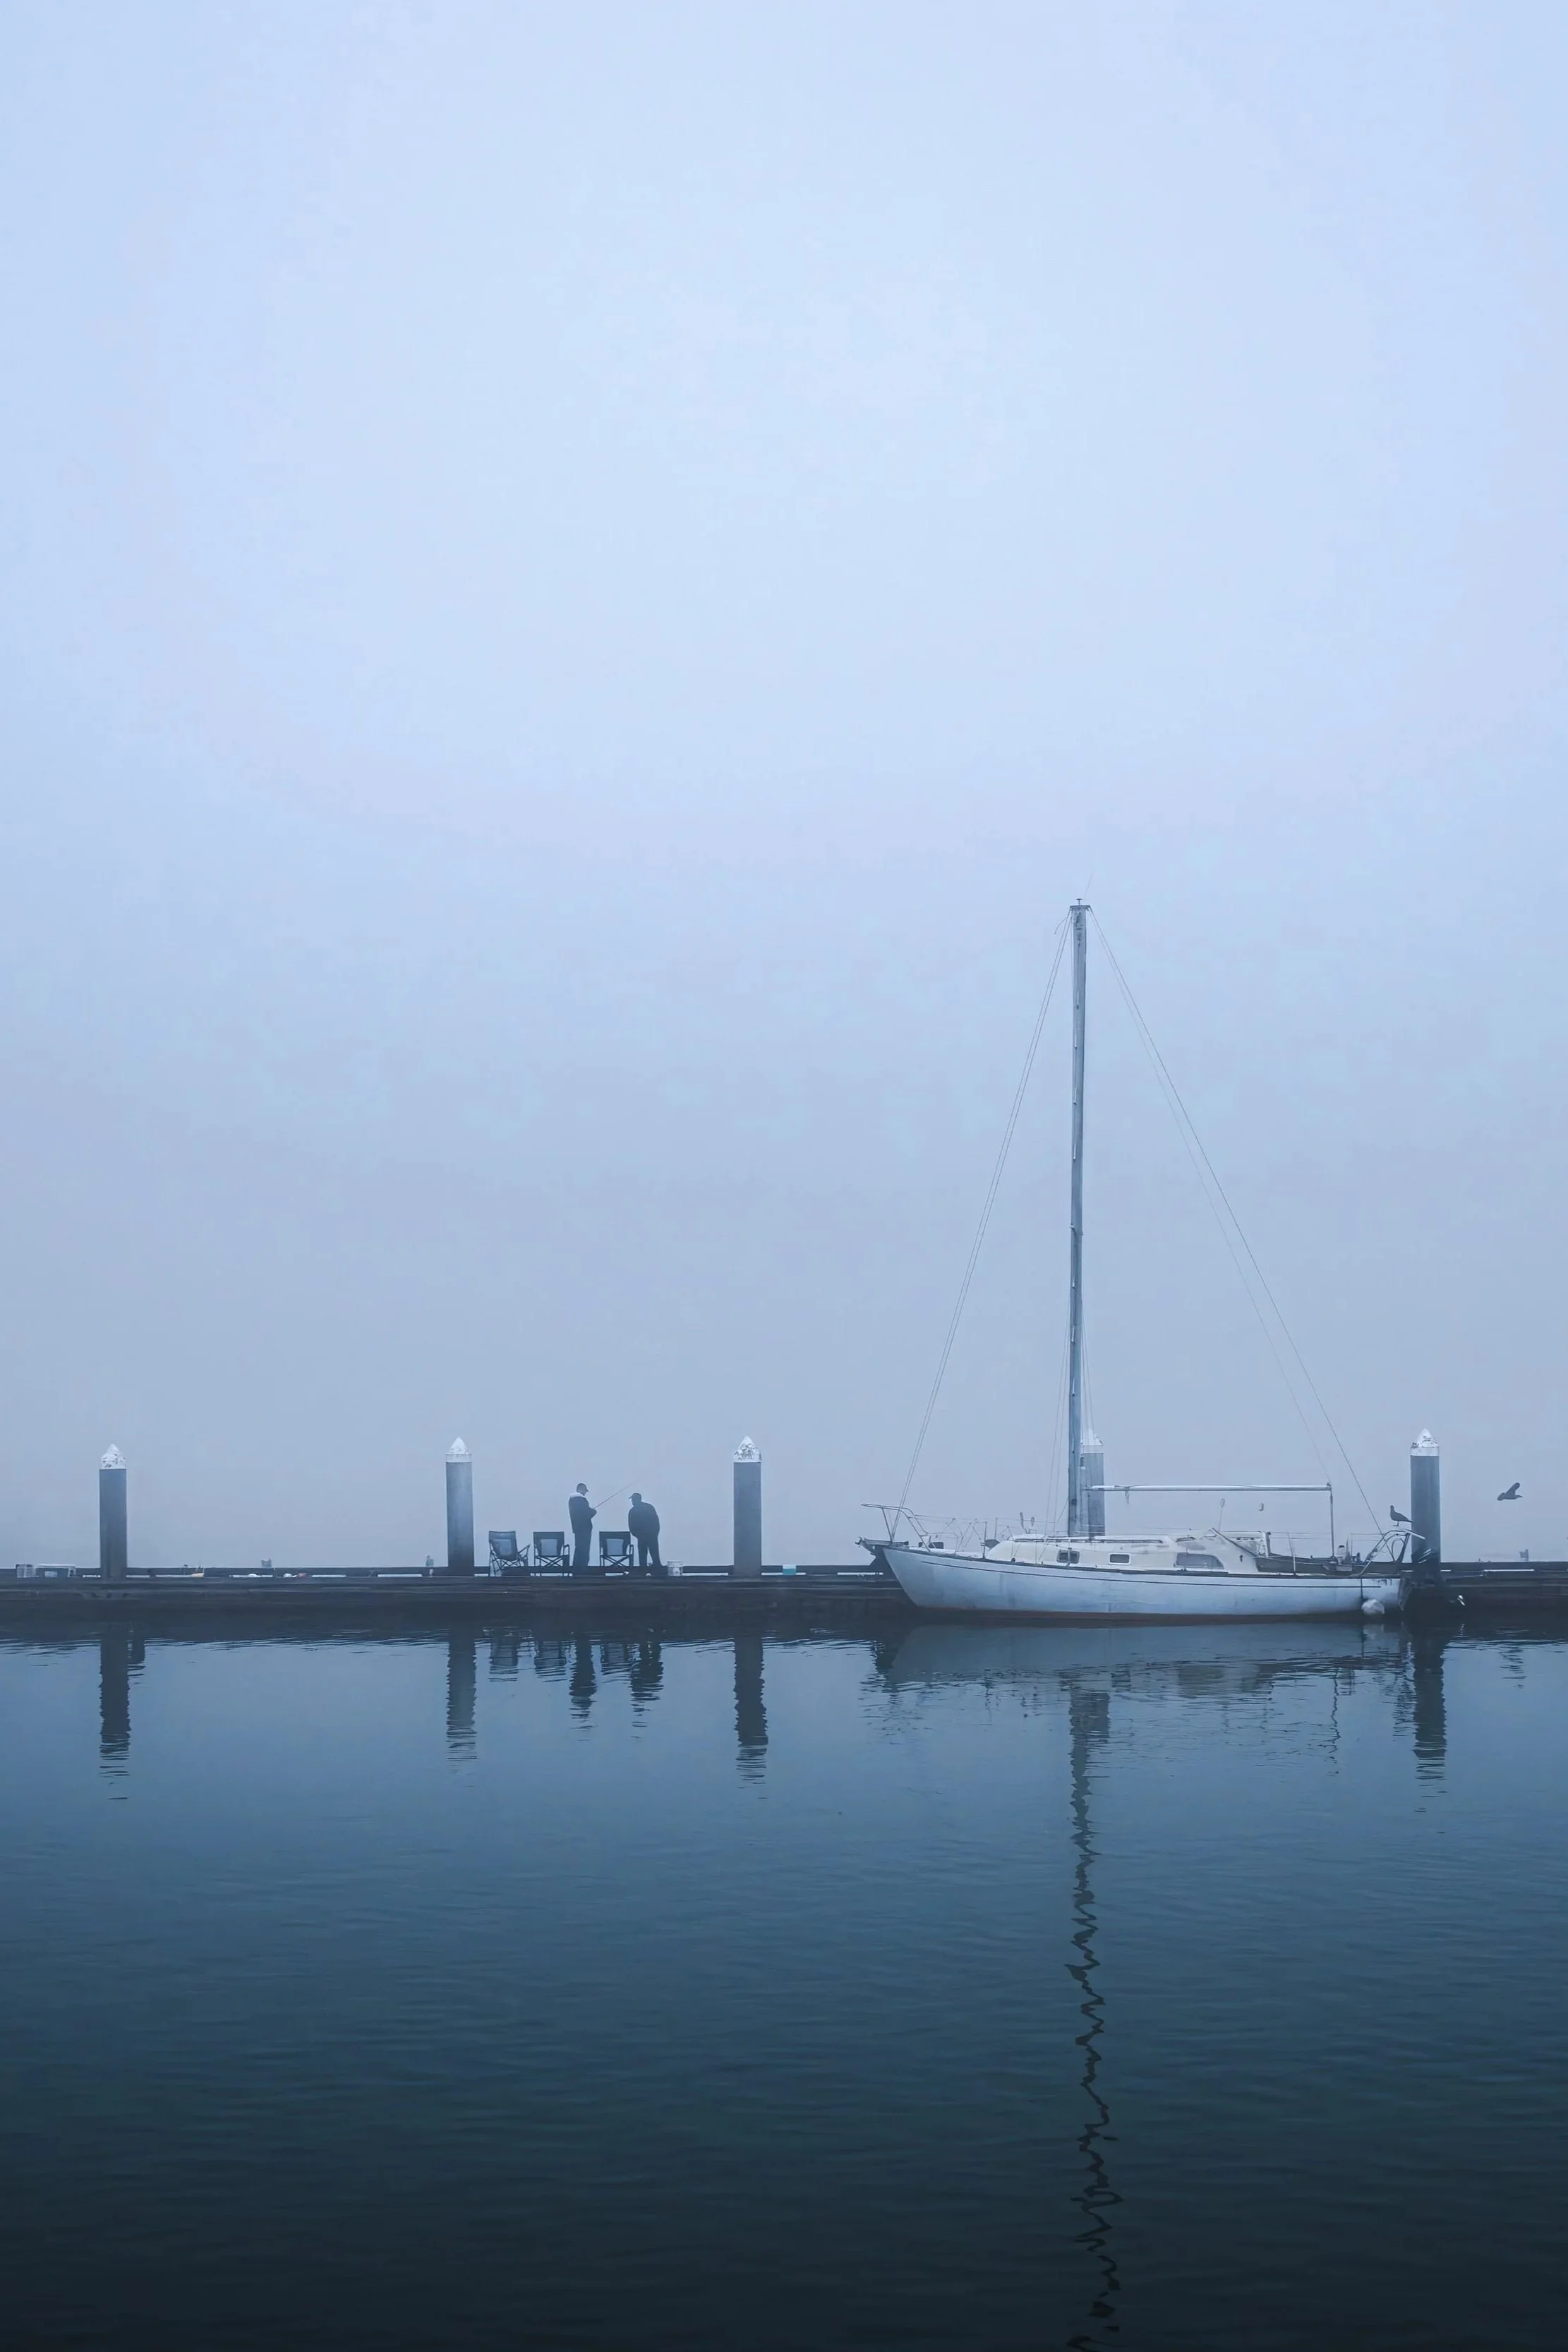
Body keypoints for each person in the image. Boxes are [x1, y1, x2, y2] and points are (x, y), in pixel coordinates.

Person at [627, 1492, 663, 1577]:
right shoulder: (649, 1507)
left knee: (646, 1552)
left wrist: (636, 1534)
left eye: (633, 1500)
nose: (633, 1502)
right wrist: (655, 1532)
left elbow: (631, 1525)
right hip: (649, 1534)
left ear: (637, 1500)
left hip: (645, 1534)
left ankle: (646, 1568)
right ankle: (655, 1568)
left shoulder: (633, 1511)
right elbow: (656, 1521)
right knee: (651, 1552)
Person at [568, 1483, 596, 1574]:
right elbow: (586, 1514)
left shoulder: (572, 1501)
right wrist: (593, 1511)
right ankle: (582, 1570)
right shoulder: (581, 1500)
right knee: (584, 1549)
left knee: (579, 1548)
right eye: (585, 1491)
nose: (585, 1493)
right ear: (581, 1490)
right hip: (585, 1529)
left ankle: (576, 1569)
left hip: (577, 1528)